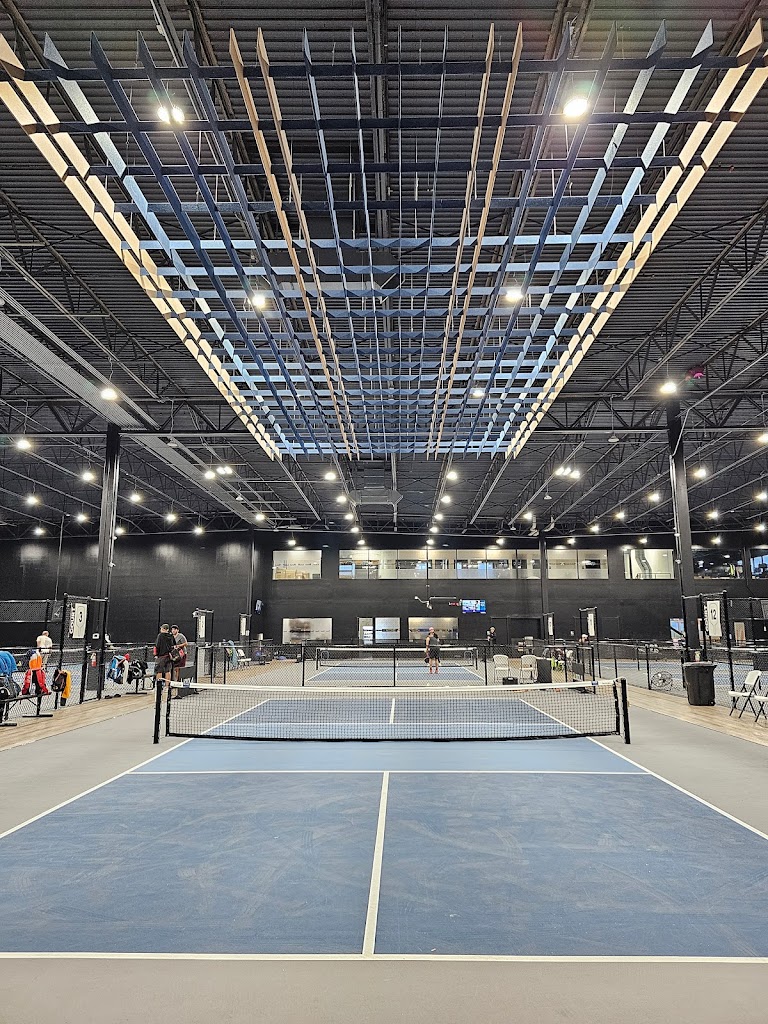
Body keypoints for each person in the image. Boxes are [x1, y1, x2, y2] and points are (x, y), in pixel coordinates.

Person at [154, 623, 174, 695]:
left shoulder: (160, 636)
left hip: (161, 656)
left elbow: (157, 645)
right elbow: (173, 645)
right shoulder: (171, 636)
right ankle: (167, 687)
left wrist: (156, 655)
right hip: (168, 656)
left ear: (163, 629)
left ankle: (158, 687)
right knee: (167, 671)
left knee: (159, 671)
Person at [170, 624, 189, 694]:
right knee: (174, 668)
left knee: (180, 668)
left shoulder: (181, 636)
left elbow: (186, 644)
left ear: (177, 630)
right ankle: (174, 682)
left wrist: (178, 646)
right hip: (174, 655)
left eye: (174, 629)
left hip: (182, 654)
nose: (173, 631)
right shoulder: (170, 636)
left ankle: (179, 682)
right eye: (172, 629)